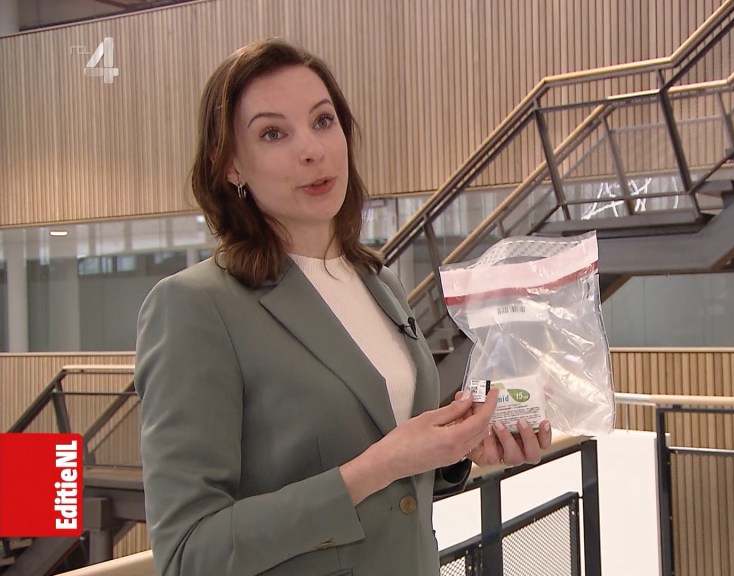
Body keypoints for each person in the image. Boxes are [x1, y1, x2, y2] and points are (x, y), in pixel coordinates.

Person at [135, 38, 552, 576]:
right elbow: (189, 553)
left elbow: (399, 481)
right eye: (273, 133)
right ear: (231, 165)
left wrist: (457, 451)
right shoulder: (196, 306)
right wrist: (375, 468)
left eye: (323, 121)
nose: (312, 149)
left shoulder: (377, 281)